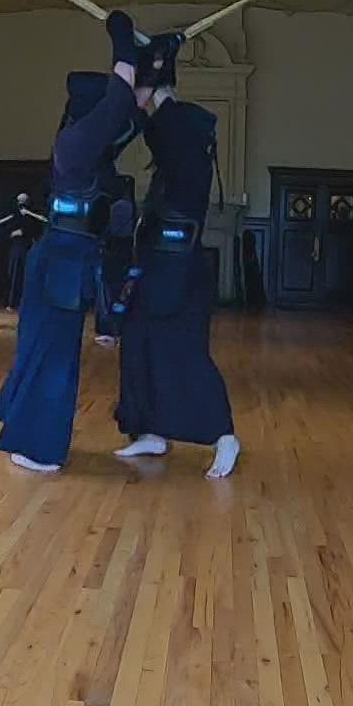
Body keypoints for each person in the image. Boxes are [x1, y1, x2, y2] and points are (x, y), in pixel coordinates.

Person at [0, 11, 166, 473]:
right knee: (49, 354)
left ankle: (29, 433)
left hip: (67, 262)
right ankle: (37, 445)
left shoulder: (95, 148)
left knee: (47, 350)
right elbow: (121, 101)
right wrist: (122, 39)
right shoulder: (76, 144)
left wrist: (159, 60)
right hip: (58, 263)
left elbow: (132, 108)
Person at [112, 80, 242, 479]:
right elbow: (158, 131)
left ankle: (224, 437)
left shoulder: (192, 159)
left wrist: (160, 91)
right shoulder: (175, 164)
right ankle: (150, 431)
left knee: (184, 355)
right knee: (137, 348)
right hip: (153, 266)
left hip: (180, 273)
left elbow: (165, 128)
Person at [94, 175, 137, 346]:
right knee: (120, 294)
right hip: (124, 254)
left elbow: (111, 230)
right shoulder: (131, 207)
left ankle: (110, 329)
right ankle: (117, 327)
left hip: (113, 254)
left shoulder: (119, 206)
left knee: (109, 294)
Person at [3, 191, 38, 310]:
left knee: (29, 276)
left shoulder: (32, 217)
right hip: (17, 250)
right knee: (15, 276)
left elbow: (35, 231)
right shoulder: (13, 216)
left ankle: (28, 303)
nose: (22, 205)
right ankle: (12, 302)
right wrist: (14, 233)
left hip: (29, 250)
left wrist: (24, 232)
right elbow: (8, 232)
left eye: (24, 202)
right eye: (20, 202)